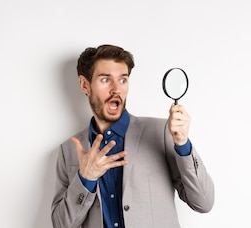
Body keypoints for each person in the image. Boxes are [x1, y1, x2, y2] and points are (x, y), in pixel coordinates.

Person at [51, 44, 214, 228]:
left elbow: (203, 203)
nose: (116, 89)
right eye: (105, 80)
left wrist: (183, 145)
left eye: (123, 80)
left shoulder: (161, 132)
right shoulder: (69, 150)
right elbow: (61, 225)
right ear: (85, 85)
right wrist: (85, 179)